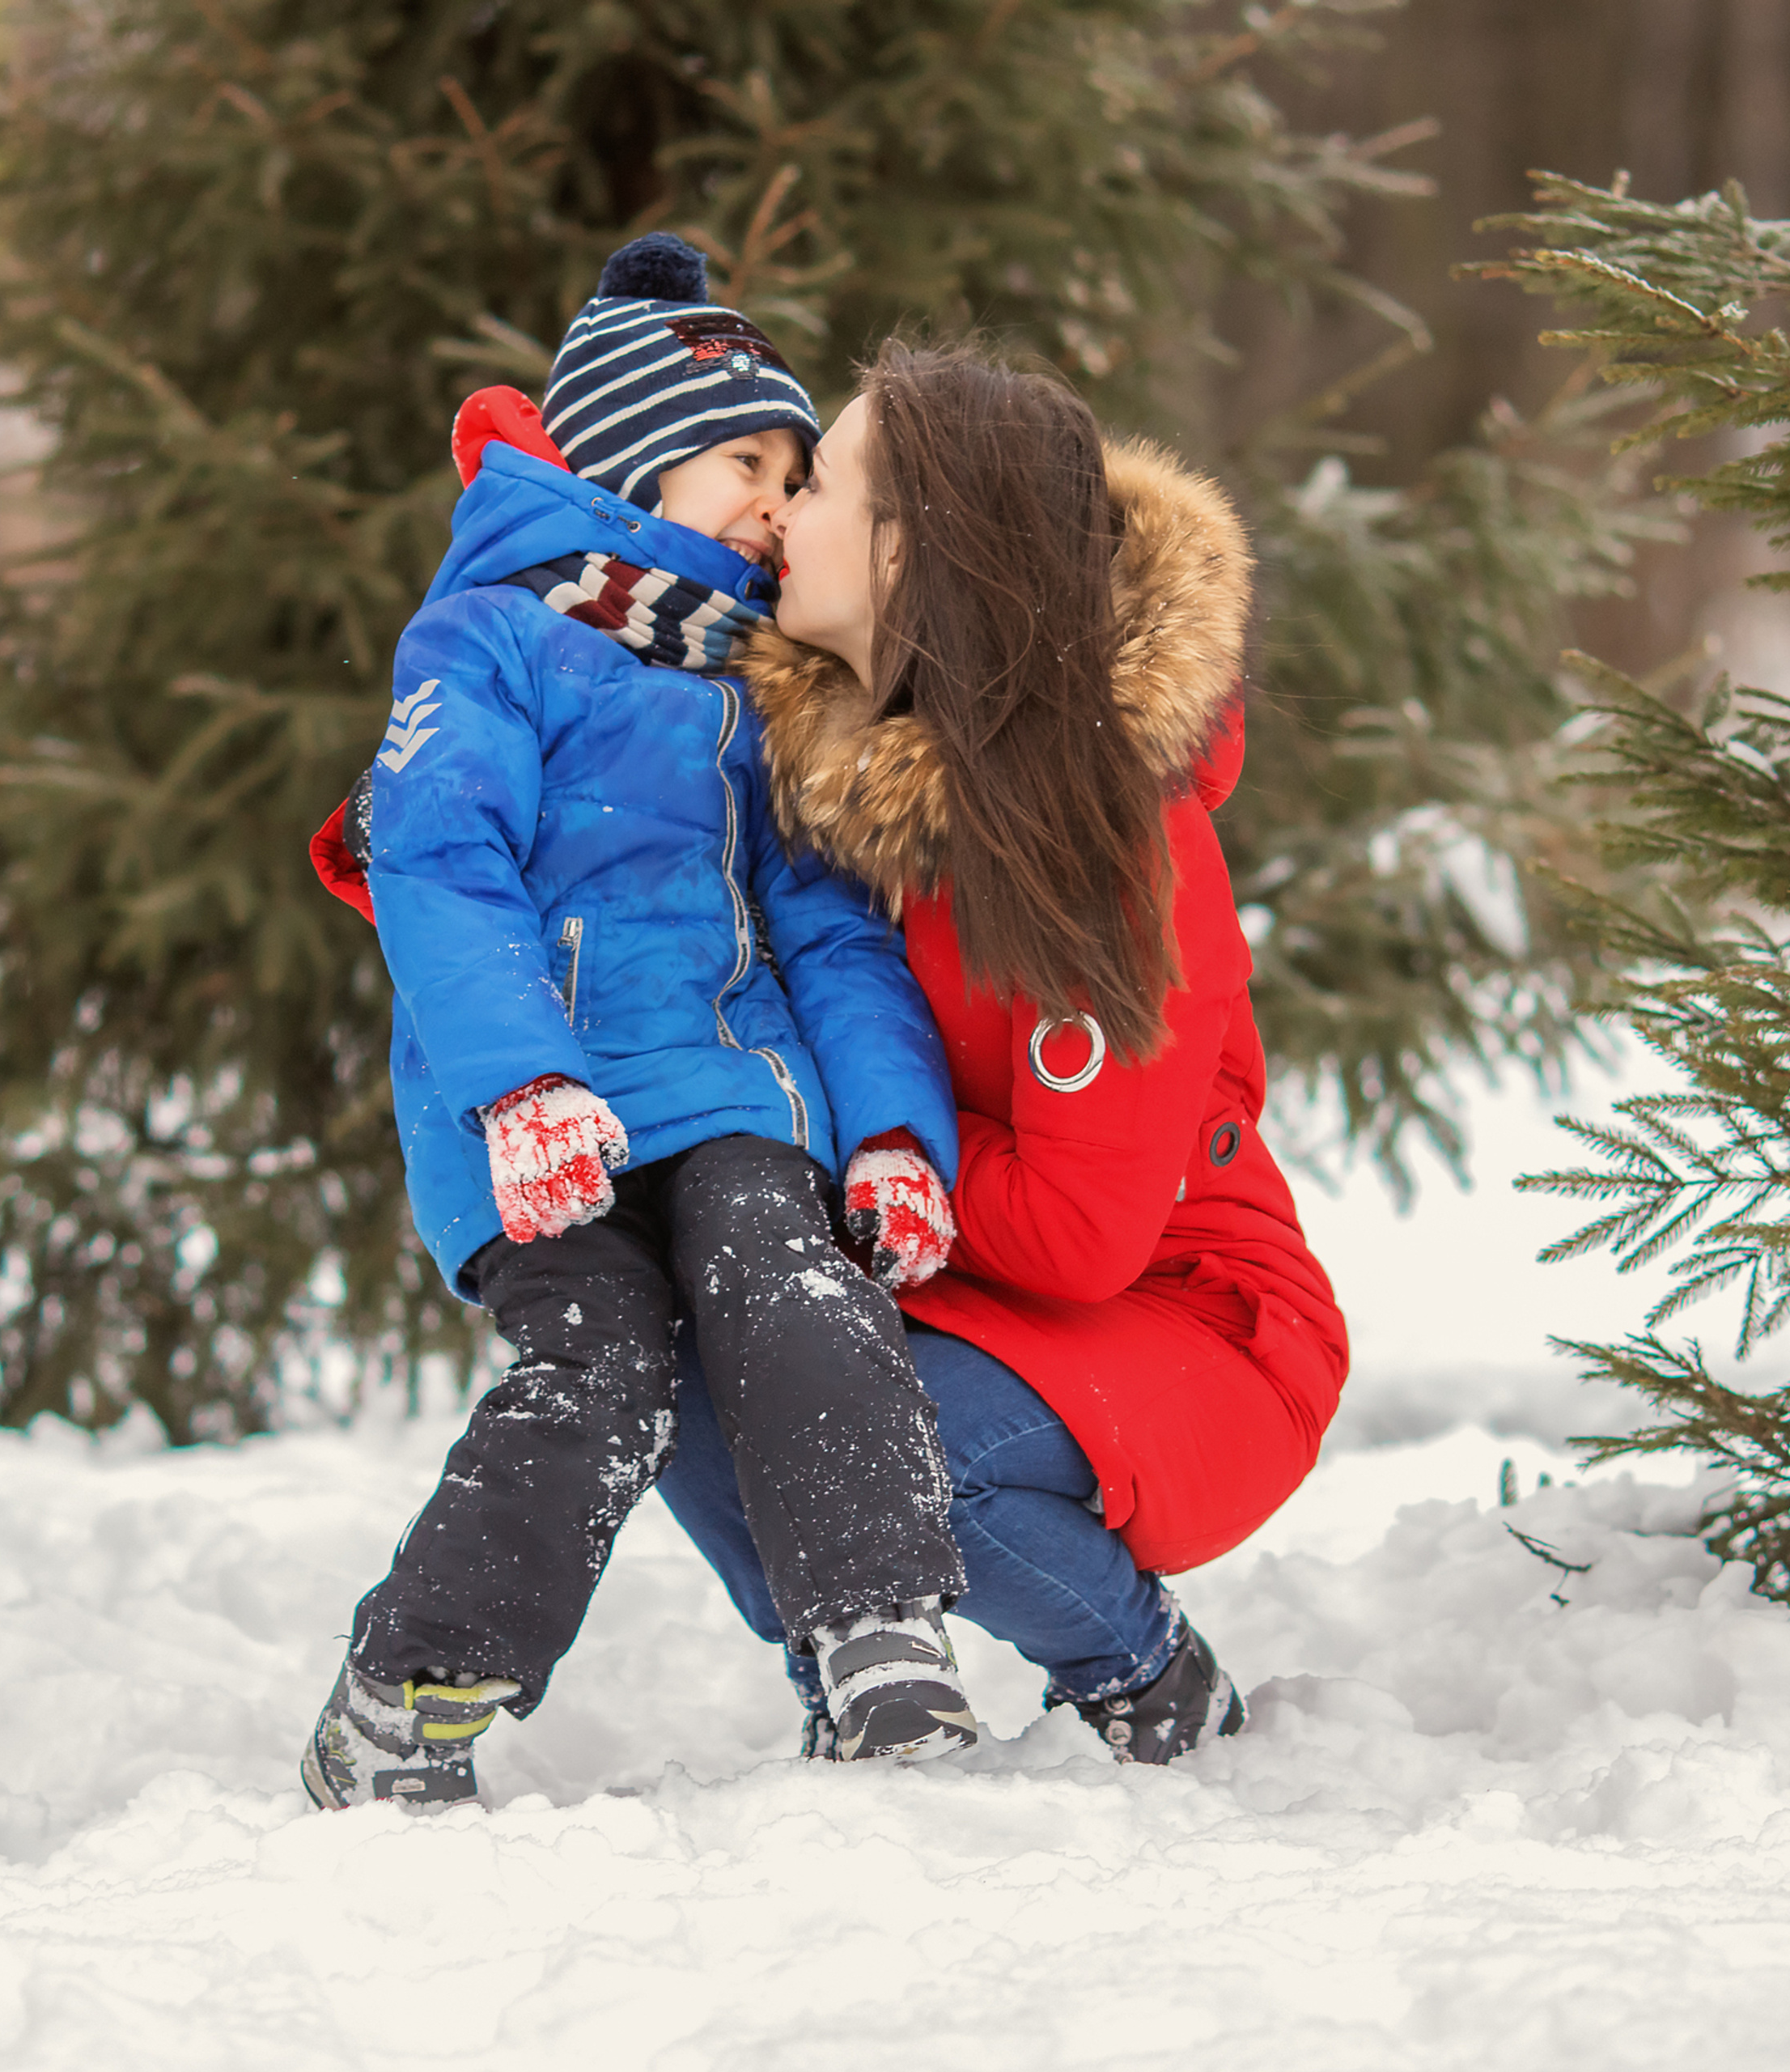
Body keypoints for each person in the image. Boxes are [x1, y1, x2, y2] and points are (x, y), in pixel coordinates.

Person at [300, 239, 982, 1814]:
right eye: (745, 456)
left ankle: (875, 1632)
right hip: (538, 1118)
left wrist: (887, 1128)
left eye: (797, 469)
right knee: (602, 1365)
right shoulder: (487, 636)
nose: (775, 496)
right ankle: (405, 1690)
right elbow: (435, 856)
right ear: (623, 454)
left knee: (793, 1283)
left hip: (733, 1094)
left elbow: (827, 926)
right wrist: (521, 1081)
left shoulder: (762, 684)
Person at [655, 338, 1351, 1764]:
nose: (782, 514)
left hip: (1191, 1320)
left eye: (826, 482)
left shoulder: (1109, 848)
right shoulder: (832, 771)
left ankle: (1146, 1670)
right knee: (689, 1383)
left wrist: (856, 1160)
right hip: (971, 1283)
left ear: (915, 550)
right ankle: (859, 1680)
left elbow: (1083, 1239)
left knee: (882, 1455)